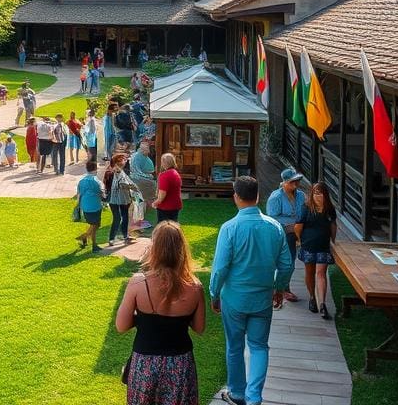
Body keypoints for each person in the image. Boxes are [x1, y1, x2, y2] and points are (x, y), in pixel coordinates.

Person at [210, 176, 292, 405]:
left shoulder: (229, 228)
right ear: (257, 196)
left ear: (236, 197)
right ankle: (254, 397)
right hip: (263, 298)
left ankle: (236, 393)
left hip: (234, 299)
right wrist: (279, 288)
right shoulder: (274, 227)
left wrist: (214, 294)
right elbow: (286, 265)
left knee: (235, 347)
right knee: (259, 347)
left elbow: (220, 269)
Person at [115, 221, 206, 405]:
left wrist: (144, 318)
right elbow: (199, 327)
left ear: (154, 248)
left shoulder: (138, 283)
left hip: (145, 364)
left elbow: (121, 325)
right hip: (180, 364)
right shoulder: (195, 287)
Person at [294, 182, 337, 320]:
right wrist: (300, 240)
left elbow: (333, 226)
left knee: (321, 273)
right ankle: (312, 297)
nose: (318, 195)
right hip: (308, 245)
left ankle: (322, 304)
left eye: (320, 193)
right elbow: (298, 227)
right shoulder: (306, 208)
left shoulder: (330, 209)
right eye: (315, 193)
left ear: (326, 195)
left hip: (323, 245)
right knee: (310, 272)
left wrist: (333, 241)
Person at [265, 168, 306, 303]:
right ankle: (281, 289)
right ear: (284, 183)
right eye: (292, 182)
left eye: (297, 181)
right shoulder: (276, 197)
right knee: (286, 263)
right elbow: (272, 219)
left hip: (298, 232)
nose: (296, 185)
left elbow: (304, 213)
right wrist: (289, 225)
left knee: (290, 263)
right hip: (282, 234)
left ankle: (281, 289)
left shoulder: (301, 195)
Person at [105, 152, 137, 245]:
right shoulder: (110, 173)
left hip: (123, 198)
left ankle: (125, 237)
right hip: (114, 199)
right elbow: (113, 185)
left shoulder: (121, 171)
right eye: (123, 159)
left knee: (125, 217)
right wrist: (129, 186)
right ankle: (111, 239)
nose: (125, 161)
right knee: (117, 218)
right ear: (118, 162)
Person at [75, 160, 104, 253]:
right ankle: (92, 244)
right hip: (95, 206)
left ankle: (85, 238)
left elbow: (79, 194)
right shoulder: (96, 181)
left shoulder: (81, 181)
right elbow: (101, 194)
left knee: (94, 225)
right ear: (95, 169)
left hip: (85, 206)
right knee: (95, 225)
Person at [151, 153, 183, 223]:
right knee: (173, 228)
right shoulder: (176, 173)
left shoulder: (164, 175)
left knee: (163, 229)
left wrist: (155, 203)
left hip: (165, 207)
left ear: (164, 163)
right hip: (175, 205)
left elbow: (162, 195)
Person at [130, 141, 157, 210]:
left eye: (148, 149)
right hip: (137, 178)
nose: (148, 152)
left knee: (153, 183)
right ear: (141, 150)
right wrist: (148, 176)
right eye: (146, 150)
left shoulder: (145, 157)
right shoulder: (136, 157)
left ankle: (148, 203)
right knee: (151, 183)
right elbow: (137, 172)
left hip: (144, 176)